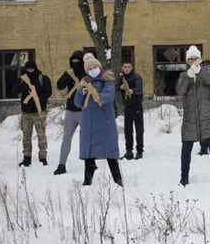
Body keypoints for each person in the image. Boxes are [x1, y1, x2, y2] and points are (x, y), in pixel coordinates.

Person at [73, 55, 122, 186]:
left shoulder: (107, 80)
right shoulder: (84, 82)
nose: (92, 69)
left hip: (105, 122)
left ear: (99, 67)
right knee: (88, 153)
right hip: (88, 122)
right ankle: (87, 180)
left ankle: (117, 180)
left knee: (110, 152)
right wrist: (81, 93)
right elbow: (77, 103)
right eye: (90, 68)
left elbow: (109, 96)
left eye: (95, 67)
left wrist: (97, 95)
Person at [176, 46, 210, 185]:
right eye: (190, 59)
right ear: (187, 61)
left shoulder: (206, 72)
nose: (193, 61)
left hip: (208, 117)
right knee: (186, 148)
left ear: (199, 59)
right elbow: (180, 91)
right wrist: (188, 76)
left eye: (195, 58)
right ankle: (184, 176)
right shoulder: (184, 75)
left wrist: (199, 71)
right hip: (190, 117)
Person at [12, 60, 52, 167]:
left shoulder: (43, 78)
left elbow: (48, 92)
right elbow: (14, 90)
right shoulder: (22, 79)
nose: (30, 71)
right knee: (26, 136)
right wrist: (23, 94)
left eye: (32, 69)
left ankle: (43, 157)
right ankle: (27, 157)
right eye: (28, 69)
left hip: (39, 112)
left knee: (41, 136)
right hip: (26, 113)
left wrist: (39, 99)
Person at [54, 50, 85, 175]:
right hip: (70, 110)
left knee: (86, 138)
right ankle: (62, 164)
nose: (75, 63)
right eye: (73, 60)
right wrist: (67, 76)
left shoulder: (87, 73)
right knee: (66, 138)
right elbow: (59, 85)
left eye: (78, 61)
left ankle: (90, 163)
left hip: (84, 110)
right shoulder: (69, 73)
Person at [117, 61, 145, 160]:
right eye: (125, 67)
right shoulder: (122, 78)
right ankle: (129, 150)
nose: (127, 68)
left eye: (129, 67)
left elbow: (139, 89)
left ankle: (139, 150)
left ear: (132, 67)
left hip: (136, 105)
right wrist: (121, 87)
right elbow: (116, 87)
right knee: (128, 130)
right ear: (122, 68)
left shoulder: (136, 77)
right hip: (127, 105)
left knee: (139, 129)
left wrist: (132, 90)